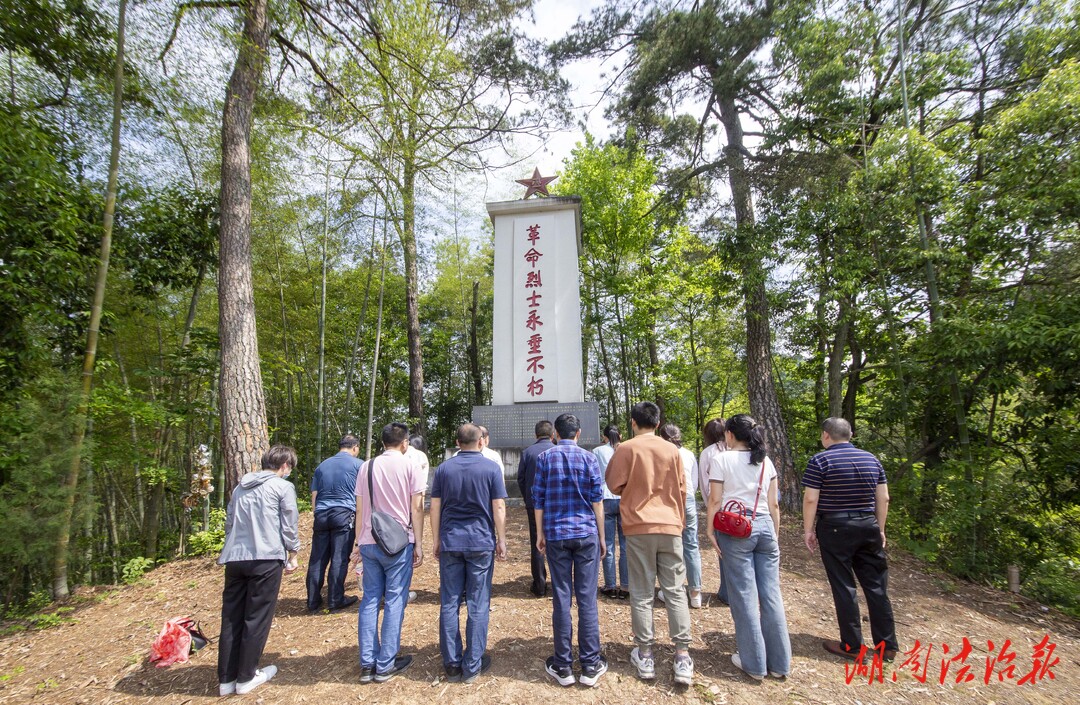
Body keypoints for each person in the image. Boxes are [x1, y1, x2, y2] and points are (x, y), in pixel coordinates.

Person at [605, 401, 694, 686]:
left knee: (642, 592)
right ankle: (682, 656)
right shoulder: (672, 450)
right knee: (676, 591)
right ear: (657, 423)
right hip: (670, 525)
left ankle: (645, 655)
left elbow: (613, 484)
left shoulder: (626, 448)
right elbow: (682, 487)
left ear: (633, 422)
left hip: (639, 526)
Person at [802, 417, 898, 662]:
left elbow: (811, 499)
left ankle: (852, 645)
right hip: (868, 524)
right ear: (851, 434)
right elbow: (884, 497)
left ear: (825, 435)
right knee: (876, 585)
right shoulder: (872, 459)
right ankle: (887, 645)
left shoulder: (820, 460)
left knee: (844, 584)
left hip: (835, 526)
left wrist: (808, 530)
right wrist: (881, 528)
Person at [706, 414, 791, 680]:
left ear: (729, 434)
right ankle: (780, 664)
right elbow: (774, 503)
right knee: (771, 595)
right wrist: (774, 534)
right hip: (765, 524)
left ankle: (753, 663)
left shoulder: (722, 459)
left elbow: (715, 500)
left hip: (736, 529)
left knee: (743, 595)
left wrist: (710, 529)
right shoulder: (765, 460)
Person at [217, 445, 301, 696]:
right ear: (284, 465)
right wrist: (293, 553)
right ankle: (246, 677)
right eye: (290, 468)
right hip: (266, 558)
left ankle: (226, 679)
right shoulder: (282, 487)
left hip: (235, 558)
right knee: (256, 617)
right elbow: (289, 523)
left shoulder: (239, 487)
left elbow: (229, 523)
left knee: (231, 617)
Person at [430, 423, 508, 684]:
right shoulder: (491, 468)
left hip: (451, 541)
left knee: (450, 602)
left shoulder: (443, 469)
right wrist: (502, 539)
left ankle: (452, 664)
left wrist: (436, 539)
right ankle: (472, 663)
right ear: (481, 442)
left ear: (457, 442)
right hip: (480, 542)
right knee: (478, 602)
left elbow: (435, 507)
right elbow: (498, 506)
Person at [534, 414, 607, 687]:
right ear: (578, 434)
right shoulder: (589, 459)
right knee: (587, 598)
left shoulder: (545, 459)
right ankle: (590, 664)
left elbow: (538, 500)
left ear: (555, 434)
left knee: (562, 597)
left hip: (556, 535)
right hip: (586, 533)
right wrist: (601, 537)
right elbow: (597, 501)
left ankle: (563, 665)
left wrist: (540, 533)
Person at [353, 422, 425, 684]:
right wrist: (418, 542)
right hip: (397, 542)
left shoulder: (366, 466)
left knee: (370, 599)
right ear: (405, 442)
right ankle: (386, 663)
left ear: (383, 442)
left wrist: (357, 542)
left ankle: (367, 663)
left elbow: (360, 508)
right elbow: (416, 508)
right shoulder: (410, 466)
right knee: (395, 599)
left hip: (369, 540)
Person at [306, 434, 362, 613]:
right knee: (339, 557)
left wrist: (316, 514)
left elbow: (314, 494)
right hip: (344, 513)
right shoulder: (358, 465)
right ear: (355, 447)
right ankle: (335, 599)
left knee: (317, 559)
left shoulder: (322, 465)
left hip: (321, 514)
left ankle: (313, 600)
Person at [658, 424, 703, 609]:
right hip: (689, 500)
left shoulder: (661, 454)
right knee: (691, 546)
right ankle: (695, 593)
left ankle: (671, 589)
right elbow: (694, 481)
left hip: (669, 501)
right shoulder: (689, 454)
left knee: (670, 546)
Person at [517, 419, 555, 596]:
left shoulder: (527, 452)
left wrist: (529, 500)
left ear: (535, 435)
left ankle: (539, 585)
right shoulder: (557, 450)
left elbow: (521, 479)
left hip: (534, 504)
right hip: (557, 504)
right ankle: (558, 583)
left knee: (536, 543)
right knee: (556, 542)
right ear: (553, 434)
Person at [593, 425, 628, 599]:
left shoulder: (598, 451)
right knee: (625, 544)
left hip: (605, 497)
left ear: (604, 436)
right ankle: (626, 585)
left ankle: (610, 585)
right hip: (624, 497)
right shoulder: (627, 449)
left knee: (607, 544)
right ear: (620, 435)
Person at [698, 418, 728, 604]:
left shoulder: (708, 453)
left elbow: (703, 483)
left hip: (719, 508)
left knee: (723, 549)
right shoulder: (740, 450)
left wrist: (709, 506)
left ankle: (726, 591)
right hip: (742, 507)